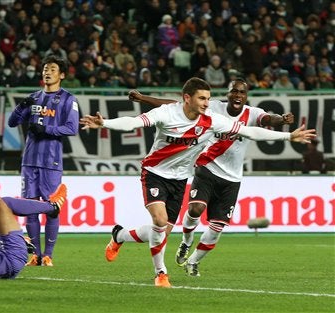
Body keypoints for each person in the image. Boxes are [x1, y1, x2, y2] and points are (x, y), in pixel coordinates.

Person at [80, 77, 315, 288]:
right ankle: (160, 273)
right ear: (187, 98)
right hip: (154, 172)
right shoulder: (166, 114)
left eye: (208, 98)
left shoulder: (212, 120)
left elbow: (250, 131)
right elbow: (133, 122)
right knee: (160, 221)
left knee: (161, 231)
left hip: (181, 178)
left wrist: (288, 135)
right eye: (202, 98)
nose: (206, 103)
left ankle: (119, 235)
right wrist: (106, 123)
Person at [124, 79, 295, 277]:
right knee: (196, 208)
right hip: (207, 167)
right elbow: (175, 107)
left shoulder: (252, 113)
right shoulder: (213, 107)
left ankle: (193, 261)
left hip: (232, 177)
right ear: (228, 94)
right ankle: (186, 241)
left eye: (242, 92)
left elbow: (268, 120)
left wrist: (281, 120)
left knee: (216, 228)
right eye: (234, 91)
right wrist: (143, 99)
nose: (237, 95)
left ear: (246, 96)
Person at [7, 55, 79, 267]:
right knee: (29, 207)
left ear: (62, 75)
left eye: (53, 69)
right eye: (45, 69)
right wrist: (22, 106)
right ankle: (36, 255)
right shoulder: (33, 97)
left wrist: (46, 129)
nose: (47, 72)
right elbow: (12, 122)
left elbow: (71, 128)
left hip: (51, 162)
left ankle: (48, 255)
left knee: (51, 207)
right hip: (29, 161)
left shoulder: (68, 99)